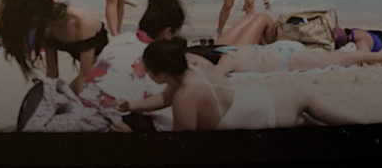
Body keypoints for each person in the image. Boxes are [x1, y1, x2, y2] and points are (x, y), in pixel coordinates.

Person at [115, 38, 361, 130]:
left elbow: (183, 148)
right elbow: (164, 97)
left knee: (303, 108)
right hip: (264, 101)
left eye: (147, 70)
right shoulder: (193, 64)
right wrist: (133, 105)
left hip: (266, 116)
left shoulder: (184, 98)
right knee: (305, 103)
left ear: (160, 75)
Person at [0, 0, 108, 95]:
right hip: (90, 69)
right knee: (58, 99)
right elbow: (52, 73)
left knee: (75, 99)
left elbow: (85, 75)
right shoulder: (46, 25)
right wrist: (50, 96)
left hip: (110, 66)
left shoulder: (81, 22)